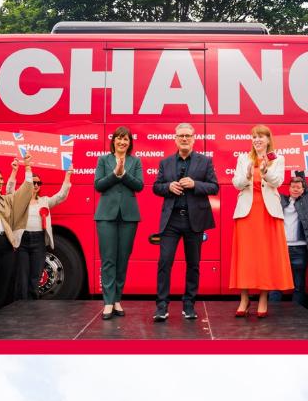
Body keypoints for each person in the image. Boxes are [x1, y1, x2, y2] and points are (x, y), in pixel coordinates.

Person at [152, 123, 219, 321]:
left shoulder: (205, 162)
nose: (184, 139)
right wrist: (168, 187)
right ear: (175, 138)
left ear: (194, 138)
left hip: (194, 220)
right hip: (171, 220)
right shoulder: (165, 163)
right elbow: (156, 187)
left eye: (187, 136)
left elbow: (215, 187)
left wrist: (195, 184)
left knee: (193, 264)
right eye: (180, 135)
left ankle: (189, 305)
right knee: (165, 262)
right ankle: (161, 306)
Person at [230, 125, 294, 317]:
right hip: (247, 212)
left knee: (264, 256)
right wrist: (248, 174)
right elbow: (236, 183)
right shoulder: (243, 158)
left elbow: (278, 182)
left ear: (268, 140)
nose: (256, 140)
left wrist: (265, 171)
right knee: (246, 256)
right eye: (254, 137)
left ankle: (263, 299)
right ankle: (244, 299)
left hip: (268, 212)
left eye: (261, 137)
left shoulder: (277, 159)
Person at [94, 126, 142, 318]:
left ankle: (117, 300)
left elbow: (139, 185)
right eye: (119, 138)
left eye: (126, 139)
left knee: (122, 260)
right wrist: (115, 173)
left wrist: (123, 173)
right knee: (108, 260)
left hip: (129, 216)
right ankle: (107, 302)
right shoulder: (103, 160)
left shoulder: (135, 161)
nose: (122, 142)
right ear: (113, 141)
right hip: (106, 215)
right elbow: (98, 185)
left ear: (130, 143)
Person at [6, 163, 72, 301]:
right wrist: (14, 170)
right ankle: (21, 304)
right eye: (33, 182)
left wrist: (68, 175)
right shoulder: (18, 199)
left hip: (39, 241)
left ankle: (32, 305)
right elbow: (9, 190)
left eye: (38, 183)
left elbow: (61, 196)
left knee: (36, 275)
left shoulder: (45, 201)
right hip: (22, 241)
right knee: (22, 275)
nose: (35, 185)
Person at [0, 150, 34, 314]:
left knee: (3, 285)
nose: (0, 182)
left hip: (6, 246)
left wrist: (27, 168)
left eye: (1, 179)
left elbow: (24, 193)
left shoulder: (6, 199)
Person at [271, 168, 308, 308]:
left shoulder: (307, 201)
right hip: (280, 247)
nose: (295, 189)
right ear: (289, 188)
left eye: (298, 187)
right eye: (293, 187)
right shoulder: (280, 199)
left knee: (299, 284)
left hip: (300, 248)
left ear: (303, 190)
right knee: (276, 282)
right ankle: (272, 311)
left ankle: (298, 313)